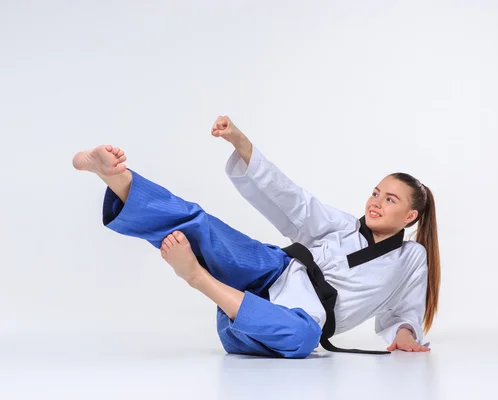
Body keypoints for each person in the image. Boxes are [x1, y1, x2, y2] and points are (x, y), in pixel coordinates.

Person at [72, 116, 440, 358]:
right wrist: (243, 146)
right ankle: (113, 176)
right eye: (376, 192)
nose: (375, 202)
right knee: (202, 224)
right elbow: (295, 201)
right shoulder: (344, 226)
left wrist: (405, 333)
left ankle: (196, 277)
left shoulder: (411, 257)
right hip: (269, 271)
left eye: (389, 200)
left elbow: (404, 306)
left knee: (304, 339)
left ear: (410, 216)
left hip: (264, 323)